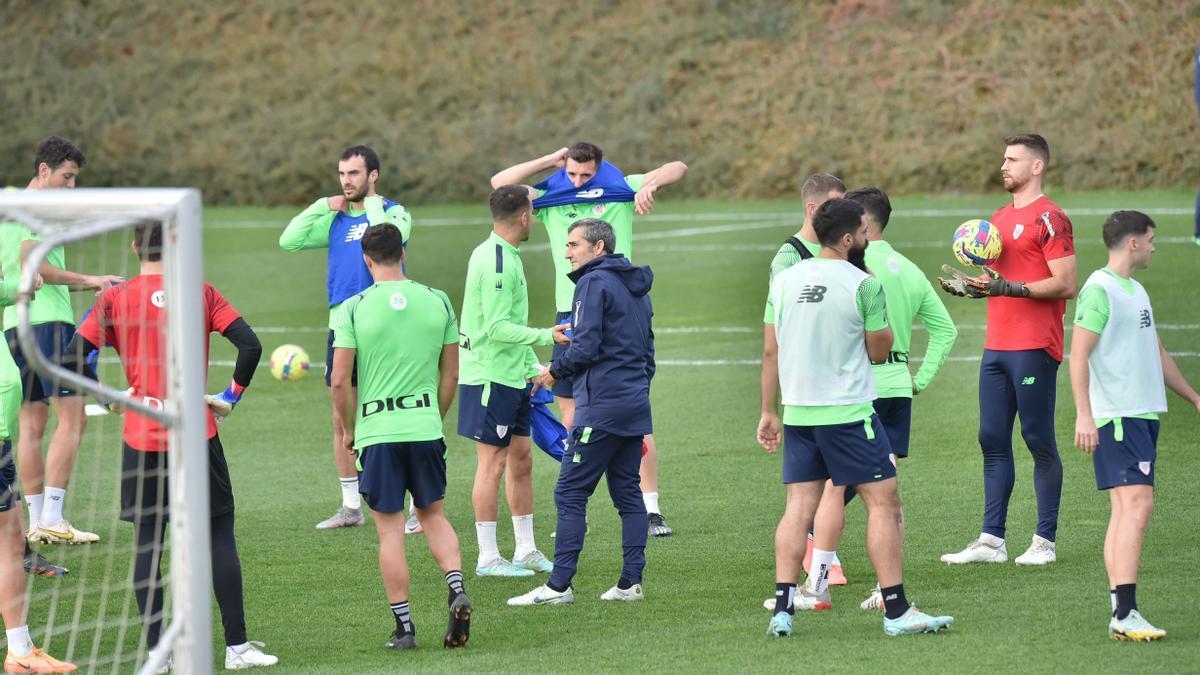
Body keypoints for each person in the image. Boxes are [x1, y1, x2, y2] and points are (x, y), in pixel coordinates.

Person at [66, 220, 277, 669]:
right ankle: (237, 648)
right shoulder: (199, 291)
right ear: (176, 244)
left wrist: (110, 397)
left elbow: (72, 355)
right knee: (219, 535)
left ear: (133, 246)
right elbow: (251, 346)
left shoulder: (114, 297)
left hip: (142, 436)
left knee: (148, 544)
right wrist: (229, 398)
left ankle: (157, 654)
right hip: (196, 433)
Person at [758, 198, 953, 638]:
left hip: (799, 412)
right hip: (848, 413)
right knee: (884, 503)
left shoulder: (784, 281)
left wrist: (768, 410)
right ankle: (897, 611)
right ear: (848, 239)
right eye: (863, 233)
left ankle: (784, 609)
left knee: (797, 508)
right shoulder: (865, 284)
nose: (867, 239)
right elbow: (879, 351)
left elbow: (771, 350)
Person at [491, 142, 686, 536]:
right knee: (573, 419)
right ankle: (573, 505)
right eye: (573, 174)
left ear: (599, 168)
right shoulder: (550, 194)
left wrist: (649, 186)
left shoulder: (620, 187)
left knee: (635, 414)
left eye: (586, 175)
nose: (579, 182)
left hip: (619, 313)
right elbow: (500, 184)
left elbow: (677, 165)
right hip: (569, 316)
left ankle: (652, 510)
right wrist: (549, 162)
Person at [330, 224, 472, 650]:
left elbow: (339, 380)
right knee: (433, 514)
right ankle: (456, 586)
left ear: (367, 259)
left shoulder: (352, 308)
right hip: (425, 427)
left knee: (390, 532)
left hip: (377, 432)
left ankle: (405, 629)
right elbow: (452, 374)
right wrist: (435, 416)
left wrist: (349, 428)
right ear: (403, 252)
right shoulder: (438, 300)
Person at [938, 134, 1076, 566]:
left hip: (1035, 345)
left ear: (1036, 167)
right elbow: (1000, 276)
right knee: (991, 439)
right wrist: (981, 288)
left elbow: (1066, 283)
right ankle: (991, 541)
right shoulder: (997, 218)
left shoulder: (1051, 218)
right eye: (1003, 159)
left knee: (1037, 439)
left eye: (1013, 160)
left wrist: (1009, 287)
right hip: (996, 345)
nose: (1004, 166)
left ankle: (1044, 542)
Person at [509, 218, 654, 607]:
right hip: (633, 406)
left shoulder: (592, 283)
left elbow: (585, 346)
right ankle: (630, 584)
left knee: (570, 491)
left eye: (574, 245)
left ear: (598, 248)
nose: (567, 252)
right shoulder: (636, 285)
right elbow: (648, 352)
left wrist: (551, 373)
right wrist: (637, 393)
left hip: (602, 409)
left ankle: (558, 587)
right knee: (627, 493)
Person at [1069, 210, 1200, 641]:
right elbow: (1078, 355)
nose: (1154, 246)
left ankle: (1120, 611)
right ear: (1133, 243)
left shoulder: (1135, 290)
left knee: (1126, 511)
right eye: (1151, 238)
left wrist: (1194, 398)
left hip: (1141, 414)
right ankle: (1125, 615)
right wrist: (1085, 414)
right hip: (1118, 417)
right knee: (1137, 508)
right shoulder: (1100, 290)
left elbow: (1157, 352)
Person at [279, 145, 414, 530]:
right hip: (342, 324)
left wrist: (369, 203)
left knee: (392, 414)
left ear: (373, 175)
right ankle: (351, 507)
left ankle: (415, 507)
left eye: (354, 173)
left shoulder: (393, 212)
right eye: (342, 174)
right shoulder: (334, 217)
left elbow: (386, 235)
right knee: (342, 417)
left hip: (385, 322)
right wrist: (323, 204)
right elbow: (289, 240)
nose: (346, 181)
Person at [1, 136, 122, 545]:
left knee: (32, 423)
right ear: (44, 170)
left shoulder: (10, 206)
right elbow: (31, 262)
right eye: (67, 177)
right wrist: (89, 280)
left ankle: (38, 521)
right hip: (48, 324)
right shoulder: (32, 209)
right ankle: (53, 516)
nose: (71, 187)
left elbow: (22, 273)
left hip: (13, 323)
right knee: (74, 417)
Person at [458, 186, 568, 577]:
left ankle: (526, 549)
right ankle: (488, 557)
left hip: (510, 374)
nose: (533, 220)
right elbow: (498, 328)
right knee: (493, 463)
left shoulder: (501, 254)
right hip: (489, 377)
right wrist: (547, 336)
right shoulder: (499, 262)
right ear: (523, 217)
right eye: (533, 214)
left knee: (521, 459)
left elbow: (509, 326)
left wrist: (531, 368)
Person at [759, 173, 846, 579]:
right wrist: (768, 407)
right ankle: (818, 561)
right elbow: (775, 339)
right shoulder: (789, 259)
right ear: (812, 209)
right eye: (834, 205)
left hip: (843, 383)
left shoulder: (843, 248)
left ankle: (812, 564)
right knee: (832, 484)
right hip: (810, 389)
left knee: (848, 481)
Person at [0, 266, 75, 672]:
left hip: (2, 443)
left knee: (12, 543)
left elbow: (18, 286)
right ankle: (21, 655)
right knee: (7, 544)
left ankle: (21, 653)